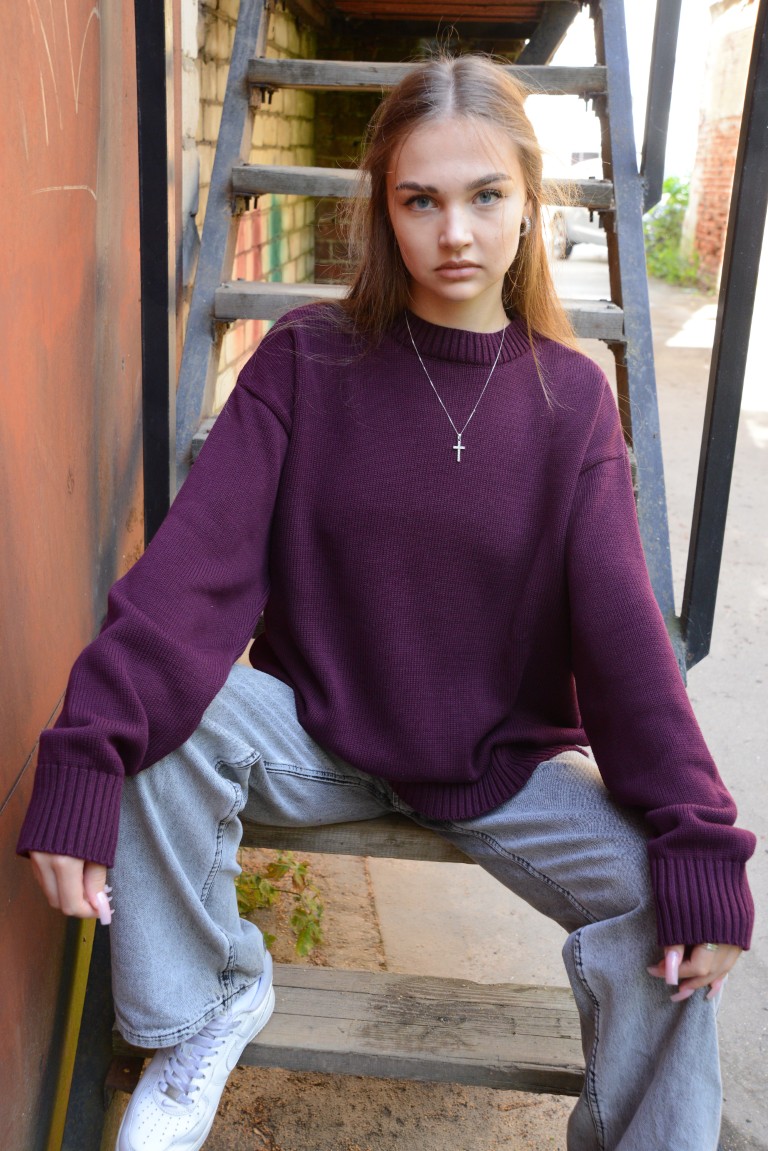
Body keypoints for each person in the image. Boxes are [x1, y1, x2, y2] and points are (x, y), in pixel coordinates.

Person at [18, 54, 754, 1151]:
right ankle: (204, 1004)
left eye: (485, 195)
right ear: (385, 210)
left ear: (529, 200)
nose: (455, 231)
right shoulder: (306, 361)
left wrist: (701, 837)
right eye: (421, 200)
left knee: (671, 892)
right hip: (319, 735)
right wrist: (82, 753)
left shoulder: (569, 400)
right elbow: (191, 578)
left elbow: (623, 640)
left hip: (499, 770)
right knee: (157, 725)